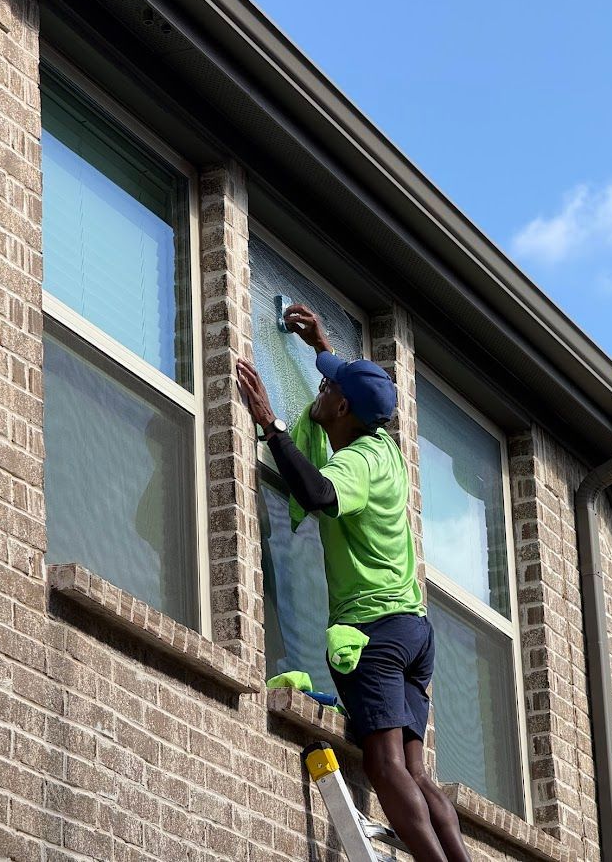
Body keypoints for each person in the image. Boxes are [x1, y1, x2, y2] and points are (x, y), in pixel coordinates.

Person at [237, 303, 470, 862]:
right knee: (417, 771)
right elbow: (354, 387)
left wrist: (270, 426)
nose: (319, 389)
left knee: (386, 767)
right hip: (414, 632)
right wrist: (322, 347)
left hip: (376, 634)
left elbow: (318, 493)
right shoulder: (385, 445)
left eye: (327, 386)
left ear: (342, 406)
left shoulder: (361, 460)